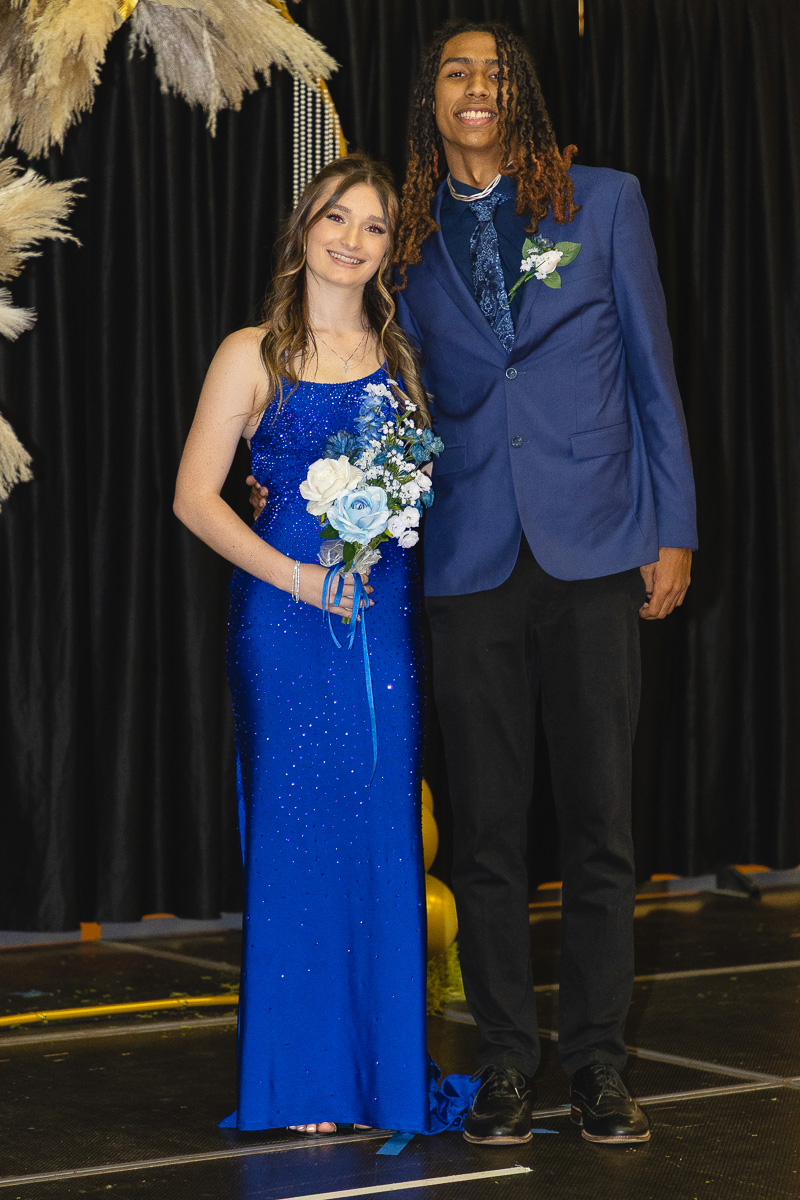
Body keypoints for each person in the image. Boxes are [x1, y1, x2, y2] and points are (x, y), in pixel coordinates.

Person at [255, 20, 700, 1145]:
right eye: (455, 71)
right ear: (430, 97)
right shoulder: (399, 234)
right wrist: (282, 475)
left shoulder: (602, 202)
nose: (475, 89)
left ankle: (597, 1068)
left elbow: (654, 374)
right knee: (491, 834)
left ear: (522, 98)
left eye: (495, 74)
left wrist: (672, 526)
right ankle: (505, 1063)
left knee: (598, 827)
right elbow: (349, 361)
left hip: (597, 549)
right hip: (462, 564)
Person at [174, 153, 473, 1135]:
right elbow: (192, 499)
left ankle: (380, 1075)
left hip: (376, 620)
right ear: (303, 228)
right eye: (336, 218)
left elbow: (413, 489)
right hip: (283, 620)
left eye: (374, 226)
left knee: (378, 826)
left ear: (390, 250)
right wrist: (299, 574)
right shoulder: (247, 352)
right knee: (296, 838)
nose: (352, 238)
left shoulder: (401, 360)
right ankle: (305, 1081)